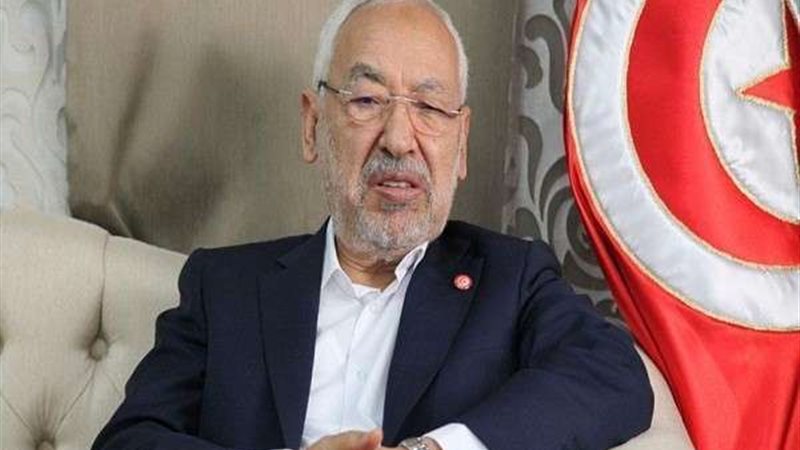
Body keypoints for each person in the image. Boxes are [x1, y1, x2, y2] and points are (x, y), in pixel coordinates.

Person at [92, 1, 653, 449]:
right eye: (367, 100)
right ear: (312, 126)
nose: (400, 139)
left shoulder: (512, 280)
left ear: (461, 143)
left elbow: (611, 375)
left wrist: (436, 449)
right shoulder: (225, 286)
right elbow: (130, 439)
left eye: (429, 108)